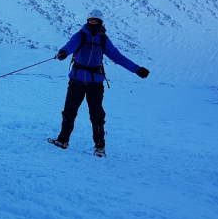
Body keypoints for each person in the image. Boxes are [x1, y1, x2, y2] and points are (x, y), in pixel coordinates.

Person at [49, 9, 150, 157]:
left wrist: (137, 69)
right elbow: (70, 46)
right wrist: (63, 52)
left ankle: (100, 147)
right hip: (77, 80)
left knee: (97, 115)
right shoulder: (80, 35)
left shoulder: (103, 40)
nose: (93, 23)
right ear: (88, 21)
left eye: (96, 21)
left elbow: (118, 57)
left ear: (100, 22)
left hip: (95, 83)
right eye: (91, 20)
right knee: (69, 112)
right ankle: (63, 140)